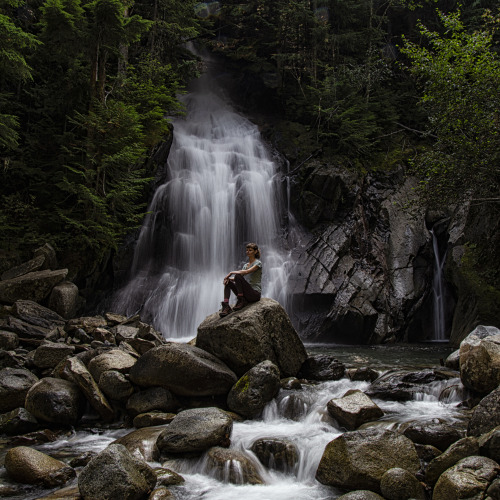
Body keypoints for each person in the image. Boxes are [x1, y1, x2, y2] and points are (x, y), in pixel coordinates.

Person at [219, 243, 262, 317]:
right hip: (246, 293)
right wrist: (227, 279)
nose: (248, 252)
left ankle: (241, 300)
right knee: (228, 282)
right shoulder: (246, 265)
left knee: (237, 275)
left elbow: (246, 272)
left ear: (255, 252)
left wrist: (231, 272)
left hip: (254, 294)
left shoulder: (258, 263)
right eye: (247, 250)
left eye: (250, 250)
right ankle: (226, 306)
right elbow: (238, 277)